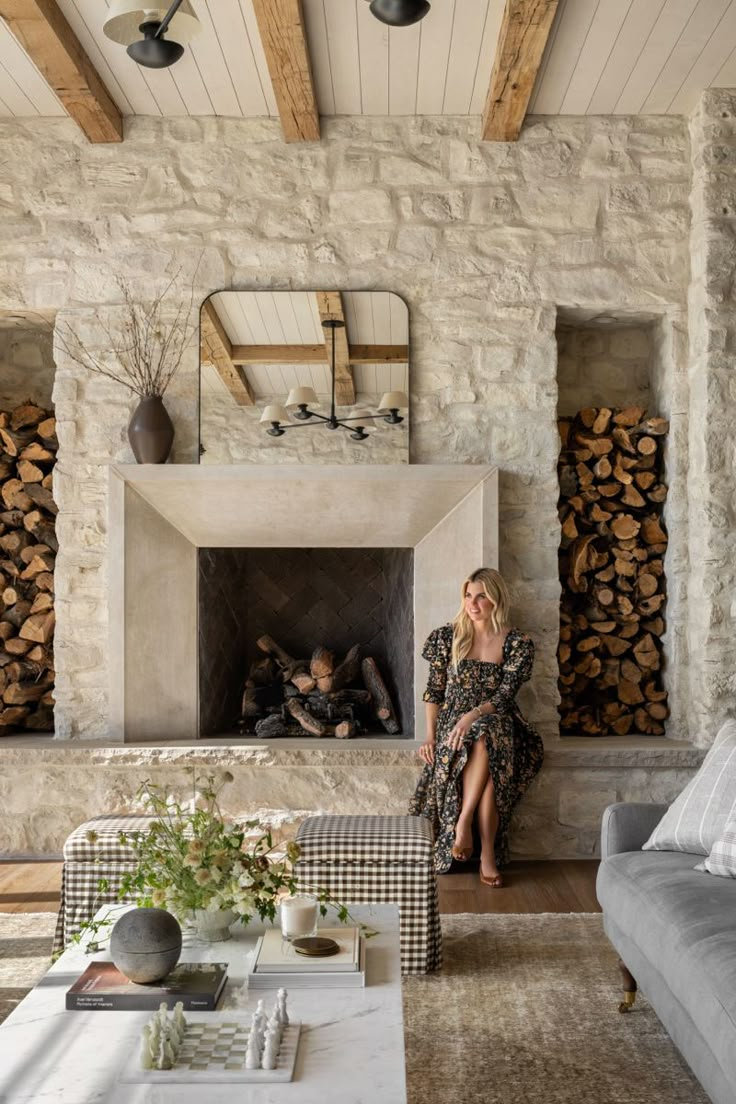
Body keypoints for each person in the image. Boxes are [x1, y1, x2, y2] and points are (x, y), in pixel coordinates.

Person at [408, 567, 544, 886]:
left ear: (496, 598)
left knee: (485, 732)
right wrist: (429, 735)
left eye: (481, 596)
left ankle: (463, 822)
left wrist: (473, 716)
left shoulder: (516, 642)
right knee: (490, 777)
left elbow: (505, 695)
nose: (473, 603)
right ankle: (487, 857)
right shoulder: (448, 637)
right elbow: (434, 691)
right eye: (469, 595)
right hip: (452, 728)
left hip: (498, 720)